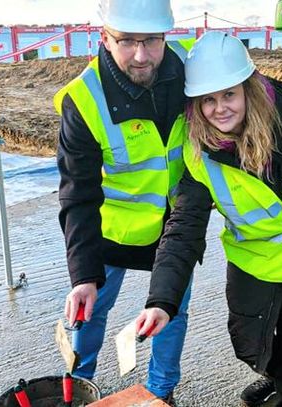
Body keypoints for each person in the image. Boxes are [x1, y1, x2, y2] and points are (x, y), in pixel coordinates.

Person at [136, 31, 282, 406]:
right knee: (253, 339)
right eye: (207, 99)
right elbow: (182, 231)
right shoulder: (198, 155)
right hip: (254, 260)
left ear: (248, 87)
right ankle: (276, 376)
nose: (220, 108)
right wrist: (161, 300)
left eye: (229, 94)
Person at [53, 0, 194, 403]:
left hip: (174, 227)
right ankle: (79, 387)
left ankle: (160, 392)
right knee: (89, 311)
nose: (141, 55)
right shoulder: (83, 99)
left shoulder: (188, 70)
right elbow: (77, 195)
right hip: (110, 231)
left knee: (171, 314)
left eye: (151, 40)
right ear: (104, 37)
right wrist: (82, 275)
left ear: (166, 36)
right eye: (127, 41)